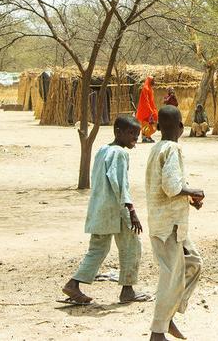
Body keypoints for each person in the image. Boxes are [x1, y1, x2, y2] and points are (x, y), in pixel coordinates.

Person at [61, 115, 150, 305]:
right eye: (131, 133)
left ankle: (73, 284)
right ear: (118, 132)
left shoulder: (102, 150)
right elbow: (120, 184)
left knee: (97, 249)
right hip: (118, 209)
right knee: (132, 246)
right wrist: (132, 211)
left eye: (137, 134)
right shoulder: (120, 153)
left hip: (100, 208)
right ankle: (127, 290)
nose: (135, 138)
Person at [146, 106, 205, 341]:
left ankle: (168, 316)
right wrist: (193, 191)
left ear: (158, 127)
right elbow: (172, 187)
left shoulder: (156, 149)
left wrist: (189, 198)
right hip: (168, 227)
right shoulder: (173, 149)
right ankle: (157, 331)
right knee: (171, 276)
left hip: (170, 223)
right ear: (181, 126)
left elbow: (168, 185)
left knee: (194, 263)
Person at [136, 76, 158, 143]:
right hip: (146, 109)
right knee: (146, 123)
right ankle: (145, 137)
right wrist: (149, 109)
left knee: (152, 123)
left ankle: (148, 136)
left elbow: (151, 100)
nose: (154, 82)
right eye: (153, 80)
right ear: (150, 81)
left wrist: (153, 109)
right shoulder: (145, 88)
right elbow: (146, 100)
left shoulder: (150, 89)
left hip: (151, 108)